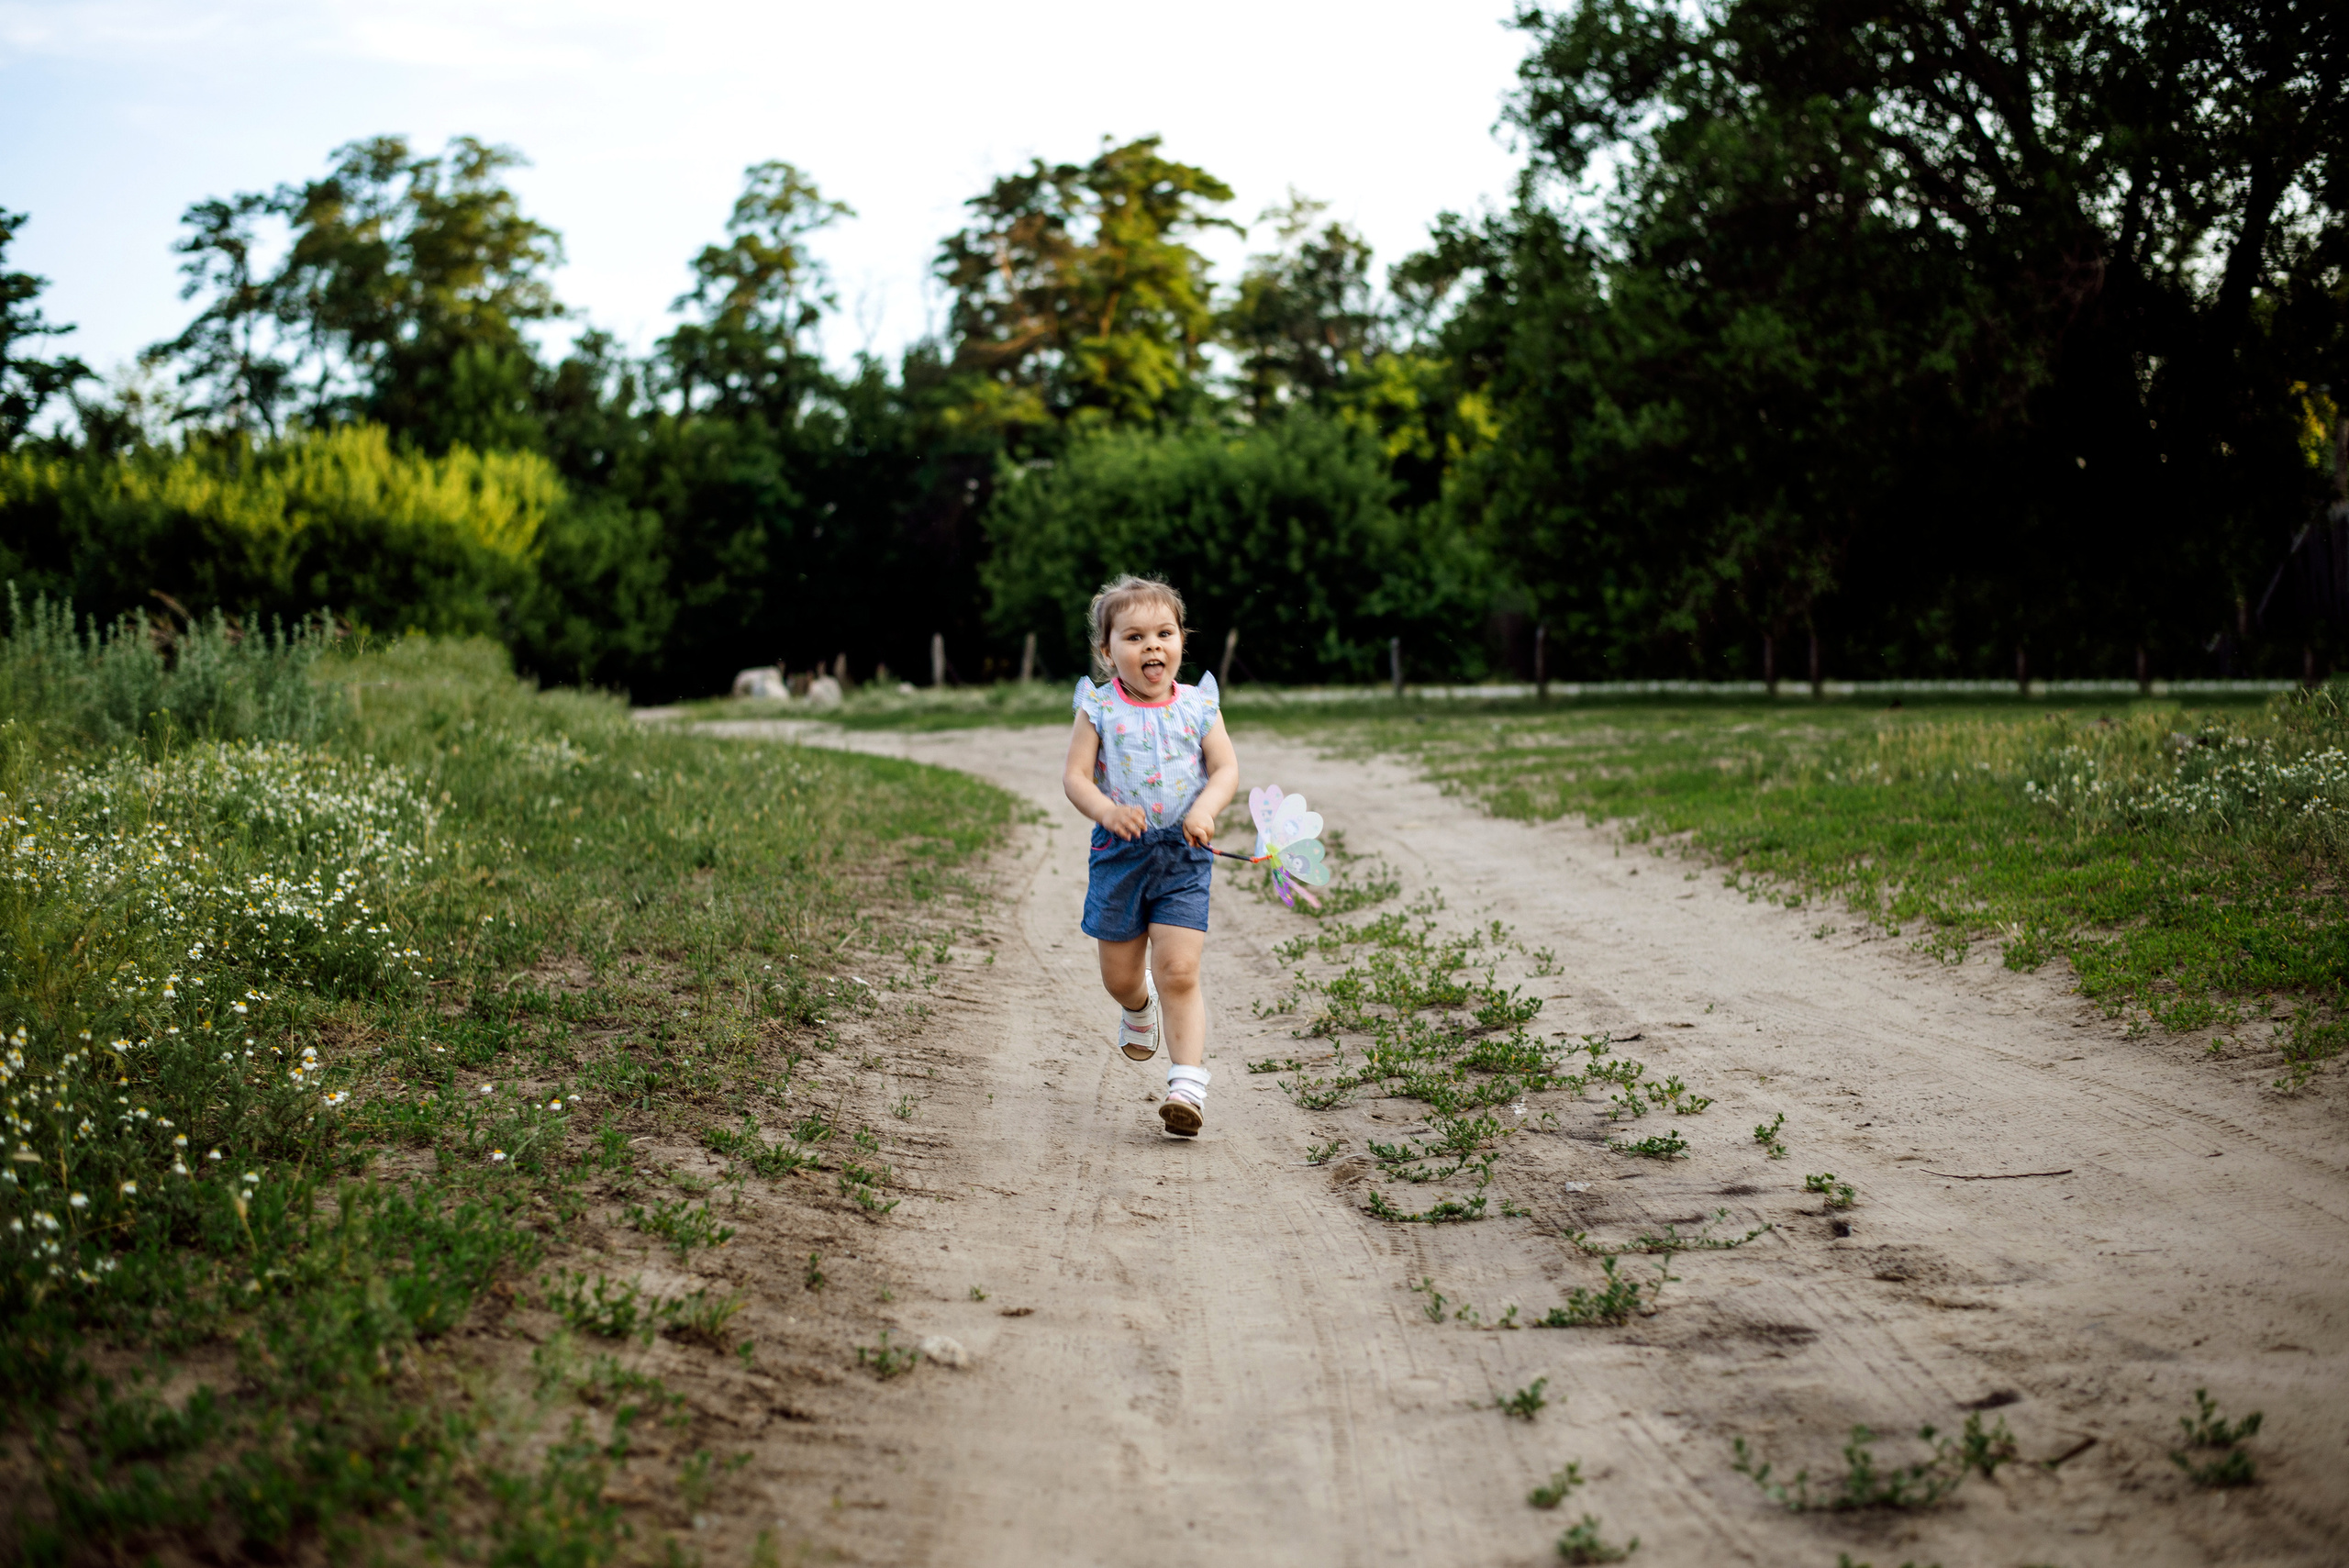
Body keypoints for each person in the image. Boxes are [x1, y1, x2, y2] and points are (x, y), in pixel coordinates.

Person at [1062, 575, 1240, 1137]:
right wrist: (1107, 811)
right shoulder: (1098, 709)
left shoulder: (1198, 707)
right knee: (1120, 975)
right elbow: (1074, 778)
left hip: (1184, 855)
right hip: (1121, 855)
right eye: (1134, 637)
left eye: (1164, 633)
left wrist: (1206, 810)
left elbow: (1225, 769)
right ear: (1107, 651)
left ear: (1182, 640)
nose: (1152, 647)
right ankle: (1138, 1008)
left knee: (1180, 970)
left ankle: (1187, 1084)